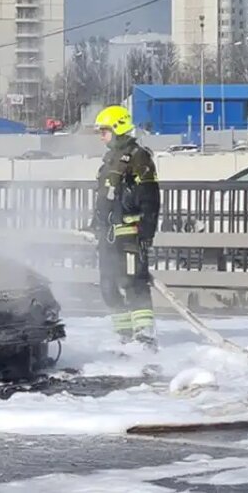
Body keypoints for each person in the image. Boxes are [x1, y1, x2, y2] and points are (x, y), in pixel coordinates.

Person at [90, 106, 160, 350]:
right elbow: (104, 198)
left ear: (118, 129)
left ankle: (144, 334)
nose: (101, 137)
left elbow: (151, 198)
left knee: (134, 283)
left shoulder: (139, 158)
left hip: (131, 233)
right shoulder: (109, 161)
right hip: (109, 236)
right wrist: (96, 224)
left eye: (104, 131)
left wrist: (147, 232)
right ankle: (124, 333)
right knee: (108, 286)